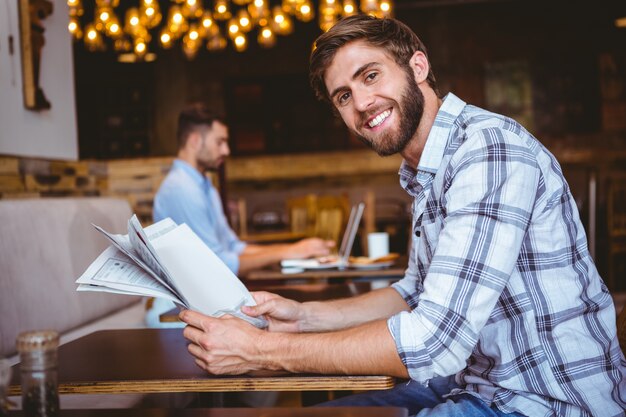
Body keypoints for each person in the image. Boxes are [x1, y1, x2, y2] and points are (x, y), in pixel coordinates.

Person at [179, 15, 626, 417]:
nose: (361, 103)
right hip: (474, 385)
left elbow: (434, 342)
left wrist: (262, 348)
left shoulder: (487, 150)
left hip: (547, 399)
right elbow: (413, 294)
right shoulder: (424, 170)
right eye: (343, 96)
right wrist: (303, 317)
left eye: (371, 76)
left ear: (418, 67)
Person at [146, 103, 334, 328]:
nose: (226, 150)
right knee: (293, 321)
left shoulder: (204, 185)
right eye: (220, 142)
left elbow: (233, 247)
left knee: (293, 313)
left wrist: (297, 250)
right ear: (195, 141)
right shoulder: (181, 189)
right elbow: (217, 264)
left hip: (206, 302)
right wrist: (291, 251)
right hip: (179, 312)